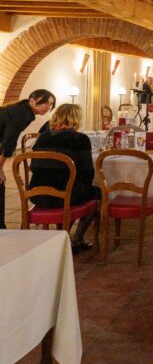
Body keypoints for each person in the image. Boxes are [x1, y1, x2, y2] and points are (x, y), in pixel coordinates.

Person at [29, 103, 101, 252]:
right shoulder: (80, 139)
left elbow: (34, 166)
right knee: (96, 194)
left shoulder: (42, 137)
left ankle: (62, 236)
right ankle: (76, 239)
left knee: (74, 189)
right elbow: (88, 173)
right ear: (76, 119)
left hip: (37, 194)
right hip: (64, 197)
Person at [0, 88, 55, 229]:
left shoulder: (24, 110)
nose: (48, 108)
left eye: (51, 105)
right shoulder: (21, 113)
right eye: (46, 104)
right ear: (32, 100)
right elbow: (8, 142)